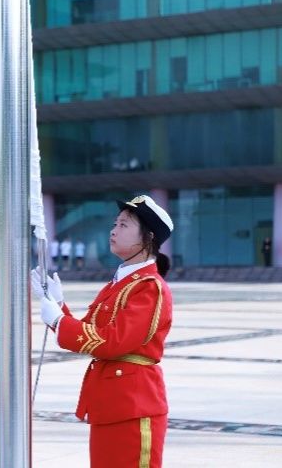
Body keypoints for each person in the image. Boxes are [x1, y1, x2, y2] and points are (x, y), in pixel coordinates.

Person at [33, 194, 174, 467]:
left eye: (124, 225)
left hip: (134, 404)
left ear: (148, 238)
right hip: (112, 403)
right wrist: (57, 306)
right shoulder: (120, 283)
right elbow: (90, 332)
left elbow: (112, 342)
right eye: (115, 223)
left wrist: (59, 321)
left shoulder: (149, 287)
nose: (113, 230)